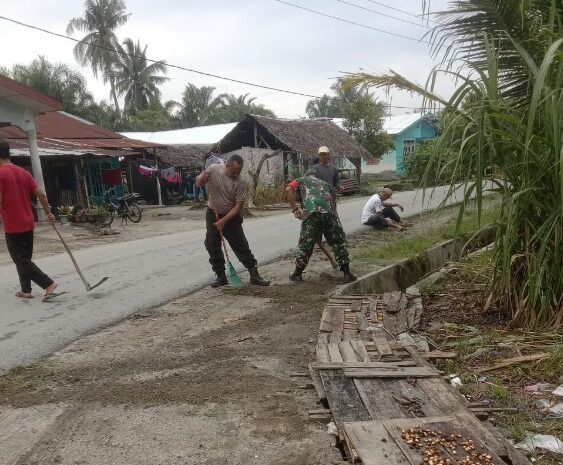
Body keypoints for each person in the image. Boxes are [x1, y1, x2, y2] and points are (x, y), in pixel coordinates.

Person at [196, 154, 270, 287]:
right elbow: (199, 183)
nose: (236, 174)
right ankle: (220, 276)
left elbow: (238, 207)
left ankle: (254, 275)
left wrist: (224, 220)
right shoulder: (213, 169)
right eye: (234, 171)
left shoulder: (239, 183)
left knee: (240, 244)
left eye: (239, 172)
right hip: (213, 213)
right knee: (212, 244)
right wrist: (202, 178)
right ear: (227, 165)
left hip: (231, 217)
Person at [0, 139, 59, 301]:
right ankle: (26, 290)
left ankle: (48, 284)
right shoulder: (23, 172)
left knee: (21, 260)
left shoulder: (0, 174)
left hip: (14, 225)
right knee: (24, 258)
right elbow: (40, 194)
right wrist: (48, 212)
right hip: (28, 222)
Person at [286, 170, 356, 283]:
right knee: (337, 243)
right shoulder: (326, 184)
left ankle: (297, 274)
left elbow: (288, 189)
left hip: (311, 214)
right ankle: (347, 274)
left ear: (306, 175)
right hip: (329, 214)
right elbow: (333, 204)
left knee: (305, 245)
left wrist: (295, 209)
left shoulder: (301, 180)